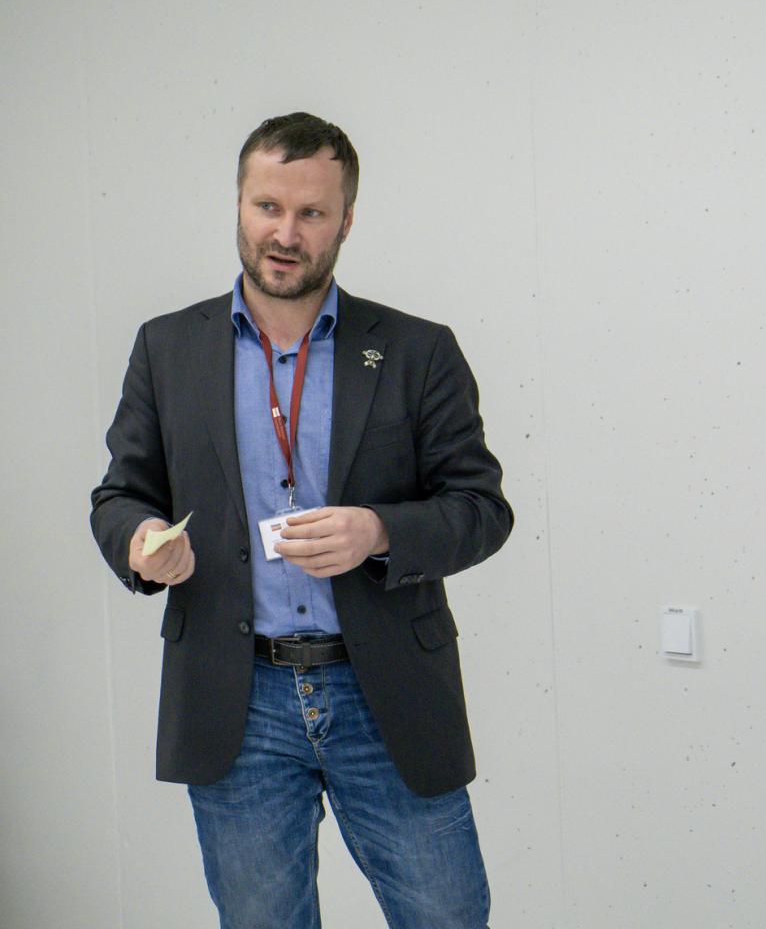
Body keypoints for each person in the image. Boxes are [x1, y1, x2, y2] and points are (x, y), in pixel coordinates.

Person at [91, 112, 512, 929]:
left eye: (312, 213)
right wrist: (140, 544)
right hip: (234, 699)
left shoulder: (418, 351)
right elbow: (119, 495)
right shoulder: (167, 348)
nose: (285, 234)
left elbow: (482, 508)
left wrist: (379, 533)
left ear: (346, 221)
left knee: (449, 918)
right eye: (268, 207)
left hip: (384, 691)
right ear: (238, 204)